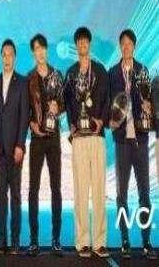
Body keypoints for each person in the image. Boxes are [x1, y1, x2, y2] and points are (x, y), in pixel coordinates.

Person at [108, 29, 156, 260]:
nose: (126, 47)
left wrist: (150, 107)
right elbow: (107, 104)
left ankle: (146, 241)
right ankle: (125, 240)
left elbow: (152, 102)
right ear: (120, 47)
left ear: (134, 47)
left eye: (130, 43)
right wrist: (109, 120)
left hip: (141, 139)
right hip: (121, 140)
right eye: (123, 43)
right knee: (121, 194)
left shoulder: (143, 71)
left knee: (144, 192)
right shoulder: (112, 74)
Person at [63, 27, 109, 258]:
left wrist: (101, 121)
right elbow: (67, 103)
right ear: (76, 45)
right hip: (79, 138)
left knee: (99, 189)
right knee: (81, 190)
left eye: (85, 41)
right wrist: (71, 124)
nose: (82, 45)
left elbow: (107, 99)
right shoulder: (70, 73)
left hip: (97, 136)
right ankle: (82, 241)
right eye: (79, 41)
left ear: (89, 44)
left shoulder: (100, 70)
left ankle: (99, 242)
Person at [26, 34, 64, 256]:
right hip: (37, 140)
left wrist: (58, 107)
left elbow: (65, 103)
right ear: (33, 53)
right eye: (36, 49)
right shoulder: (29, 78)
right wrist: (31, 124)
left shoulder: (57, 75)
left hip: (54, 137)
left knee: (56, 188)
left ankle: (56, 239)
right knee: (33, 189)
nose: (40, 52)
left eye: (42, 48)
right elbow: (26, 109)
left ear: (47, 50)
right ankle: (34, 240)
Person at [0, 39, 29, 256]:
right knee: (0, 197)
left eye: (10, 54)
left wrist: (20, 145)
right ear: (1, 57)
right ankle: (1, 240)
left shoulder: (22, 82)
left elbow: (24, 116)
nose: (7, 58)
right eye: (4, 54)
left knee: (15, 195)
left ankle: (15, 241)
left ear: (15, 57)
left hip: (15, 149)